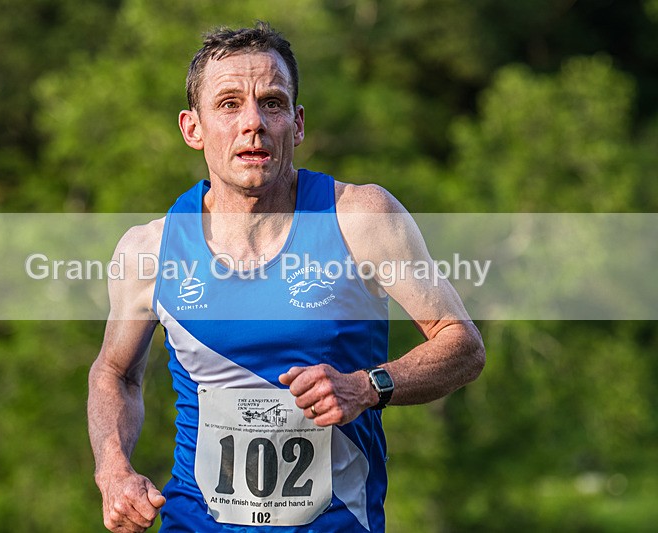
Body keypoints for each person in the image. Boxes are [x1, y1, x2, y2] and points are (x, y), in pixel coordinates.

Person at [88, 21, 485, 533]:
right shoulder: (149, 249)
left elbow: (463, 345)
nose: (252, 122)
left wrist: (367, 386)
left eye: (271, 103)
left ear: (296, 124)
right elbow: (114, 373)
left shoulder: (359, 217)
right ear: (193, 128)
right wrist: (113, 470)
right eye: (229, 104)